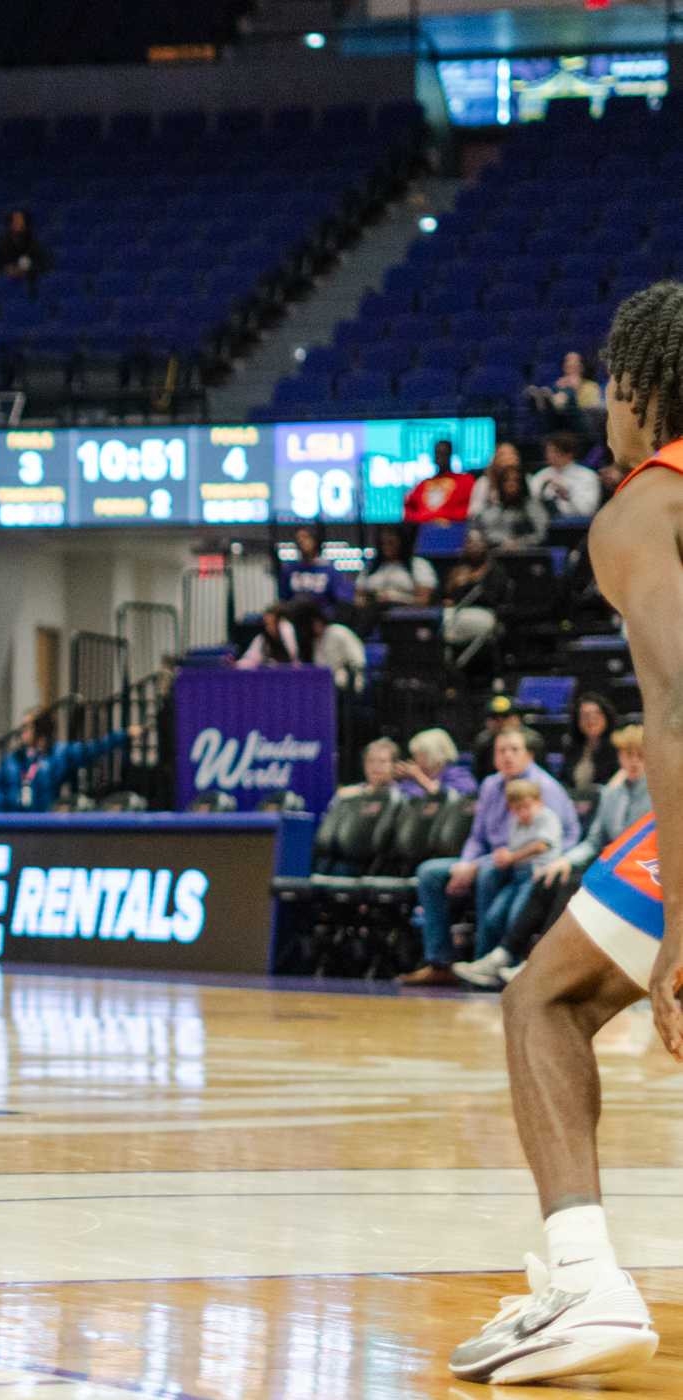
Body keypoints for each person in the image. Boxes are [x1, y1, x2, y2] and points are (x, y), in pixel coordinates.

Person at [444, 284, 683, 1386]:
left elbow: (677, 704)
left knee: (546, 994)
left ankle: (585, 1277)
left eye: (611, 389)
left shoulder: (646, 504)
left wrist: (680, 913)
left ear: (639, 386)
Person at [463, 725, 650, 991]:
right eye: (626, 755)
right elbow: (594, 841)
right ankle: (504, 955)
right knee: (551, 876)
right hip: (610, 869)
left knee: (573, 886)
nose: (632, 762)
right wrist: (564, 860)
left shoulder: (661, 794)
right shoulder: (611, 794)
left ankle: (541, 964)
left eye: (639, 755)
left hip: (642, 874)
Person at [403, 727, 578, 988]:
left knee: (489, 874)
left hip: (527, 863)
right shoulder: (489, 785)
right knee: (428, 873)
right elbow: (477, 836)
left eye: (514, 750)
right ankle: (440, 962)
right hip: (492, 858)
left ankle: (482, 962)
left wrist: (542, 860)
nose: (507, 756)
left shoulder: (544, 787)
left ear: (529, 755)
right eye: (501, 750)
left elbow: (567, 835)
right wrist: (465, 863)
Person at [454, 777, 564, 976]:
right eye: (517, 808)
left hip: (537, 876)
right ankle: (494, 963)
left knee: (517, 915)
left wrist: (512, 856)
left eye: (526, 806)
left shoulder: (547, 817)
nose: (523, 812)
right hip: (518, 876)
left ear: (538, 801)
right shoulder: (516, 823)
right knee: (494, 916)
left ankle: (516, 964)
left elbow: (541, 845)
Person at [442, 530, 507, 651]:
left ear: (485, 545)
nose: (474, 546)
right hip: (456, 611)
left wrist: (470, 582)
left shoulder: (495, 571)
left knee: (448, 625)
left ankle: (452, 658)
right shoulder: (458, 569)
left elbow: (493, 599)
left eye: (478, 542)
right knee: (440, 619)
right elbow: (448, 596)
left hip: (484, 612)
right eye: (469, 542)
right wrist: (453, 585)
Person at [471, 458, 548, 547]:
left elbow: (541, 534)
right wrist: (503, 542)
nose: (511, 484)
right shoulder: (492, 509)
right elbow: (485, 532)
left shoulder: (534, 507)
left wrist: (520, 543)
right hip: (497, 553)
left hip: (528, 554)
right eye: (506, 481)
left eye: (515, 481)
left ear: (522, 484)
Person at [357, 526, 437, 609]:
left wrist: (396, 598)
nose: (386, 547)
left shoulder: (419, 564)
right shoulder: (371, 566)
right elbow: (358, 596)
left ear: (401, 543)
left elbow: (424, 600)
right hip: (373, 614)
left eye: (391, 543)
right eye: (382, 544)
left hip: (408, 615)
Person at [403, 439, 476, 524]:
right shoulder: (423, 484)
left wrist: (446, 517)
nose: (440, 457)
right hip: (425, 530)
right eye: (437, 453)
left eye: (444, 453)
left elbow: (471, 508)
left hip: (454, 529)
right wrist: (421, 519)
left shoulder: (465, 481)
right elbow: (409, 508)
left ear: (450, 455)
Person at [277, 526, 351, 609]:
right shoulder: (290, 570)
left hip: (323, 617)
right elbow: (283, 599)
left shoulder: (329, 570)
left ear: (315, 540)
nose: (301, 541)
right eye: (298, 538)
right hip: (296, 617)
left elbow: (342, 599)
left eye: (305, 537)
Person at [394, 726, 477, 799]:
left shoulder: (459, 774)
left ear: (434, 754)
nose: (414, 760)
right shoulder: (413, 780)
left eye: (418, 755)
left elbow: (453, 798)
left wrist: (419, 776)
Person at [533, 431, 602, 518]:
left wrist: (568, 495)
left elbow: (588, 510)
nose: (549, 455)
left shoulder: (587, 476)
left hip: (579, 526)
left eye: (554, 451)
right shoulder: (541, 476)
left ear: (569, 454)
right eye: (548, 451)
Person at [302, 606, 367, 691]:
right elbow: (319, 664)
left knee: (341, 679)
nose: (315, 627)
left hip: (348, 673)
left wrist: (357, 672)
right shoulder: (316, 641)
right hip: (326, 677)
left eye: (316, 623)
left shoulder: (337, 631)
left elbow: (355, 653)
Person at [565, 691, 620, 790]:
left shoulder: (617, 747)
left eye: (596, 714)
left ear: (606, 717)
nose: (591, 720)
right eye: (585, 715)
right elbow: (564, 781)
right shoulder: (571, 747)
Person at [0, 208, 46, 290]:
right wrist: (7, 269)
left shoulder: (35, 243)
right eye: (15, 221)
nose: (18, 223)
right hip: (4, 282)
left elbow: (43, 264)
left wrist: (26, 270)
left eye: (21, 221)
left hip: (29, 281)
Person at [236, 604, 301, 668]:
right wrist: (237, 664)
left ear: (278, 622)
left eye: (272, 623)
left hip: (291, 670)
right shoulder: (262, 638)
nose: (269, 627)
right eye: (267, 624)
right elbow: (251, 657)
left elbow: (292, 654)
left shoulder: (286, 629)